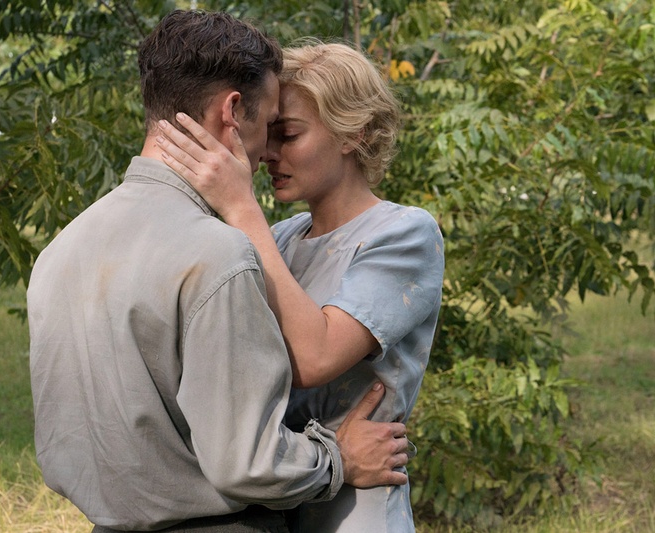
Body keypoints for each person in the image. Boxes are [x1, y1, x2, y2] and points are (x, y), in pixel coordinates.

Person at [28, 12, 412, 533]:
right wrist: (337, 459)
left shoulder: (60, 251)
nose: (268, 152)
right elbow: (248, 464)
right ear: (232, 112)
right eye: (270, 126)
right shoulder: (220, 253)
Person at [156, 41, 445, 532]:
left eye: (287, 134)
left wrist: (241, 207)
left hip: (354, 506)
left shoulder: (405, 234)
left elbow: (315, 358)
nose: (268, 153)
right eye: (268, 133)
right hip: (279, 490)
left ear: (352, 132)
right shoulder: (282, 237)